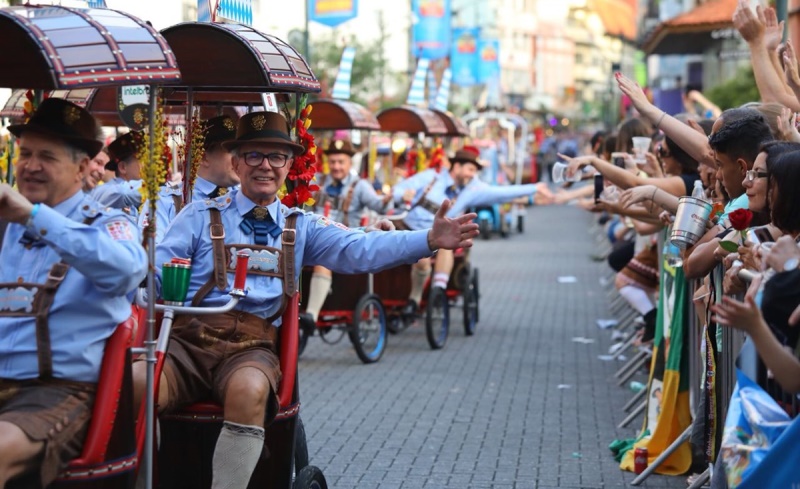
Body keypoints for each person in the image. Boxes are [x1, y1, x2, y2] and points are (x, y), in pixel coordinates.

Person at [133, 111, 478, 489]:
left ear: (288, 166)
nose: (265, 166)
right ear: (235, 163)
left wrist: (427, 240)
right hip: (187, 343)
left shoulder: (301, 225)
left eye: (276, 157)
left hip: (251, 348)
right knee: (135, 382)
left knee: (249, 391)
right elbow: (156, 273)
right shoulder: (198, 215)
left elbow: (359, 248)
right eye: (254, 156)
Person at [0, 98, 147, 488]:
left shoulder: (108, 223)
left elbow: (127, 271)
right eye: (25, 153)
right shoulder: (3, 226)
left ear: (83, 168)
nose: (30, 165)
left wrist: (33, 217)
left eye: (46, 156)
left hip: (61, 394)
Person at [303, 138, 393, 323]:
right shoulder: (318, 181)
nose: (336, 167)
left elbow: (379, 206)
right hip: (312, 237)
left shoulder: (359, 185)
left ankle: (310, 316)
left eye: (341, 162)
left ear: (350, 163)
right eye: (333, 162)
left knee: (322, 259)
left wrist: (386, 199)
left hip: (343, 241)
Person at [138, 115, 240, 244]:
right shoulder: (166, 201)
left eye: (242, 153)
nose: (240, 159)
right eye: (233, 152)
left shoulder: (247, 199)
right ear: (203, 157)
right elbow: (152, 253)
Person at [92, 131, 144, 218]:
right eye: (142, 159)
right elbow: (125, 193)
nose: (150, 164)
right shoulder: (106, 191)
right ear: (123, 167)